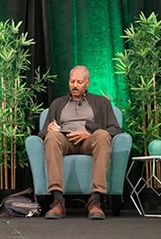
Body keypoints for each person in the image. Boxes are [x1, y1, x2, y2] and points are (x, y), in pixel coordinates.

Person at [39, 65, 121, 220]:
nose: (75, 85)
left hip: (89, 140)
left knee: (103, 135)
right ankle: (57, 200)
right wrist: (52, 129)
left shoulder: (101, 102)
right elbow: (42, 133)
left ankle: (95, 200)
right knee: (51, 137)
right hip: (65, 140)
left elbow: (115, 129)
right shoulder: (58, 103)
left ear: (87, 83)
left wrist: (90, 132)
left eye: (79, 82)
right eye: (72, 81)